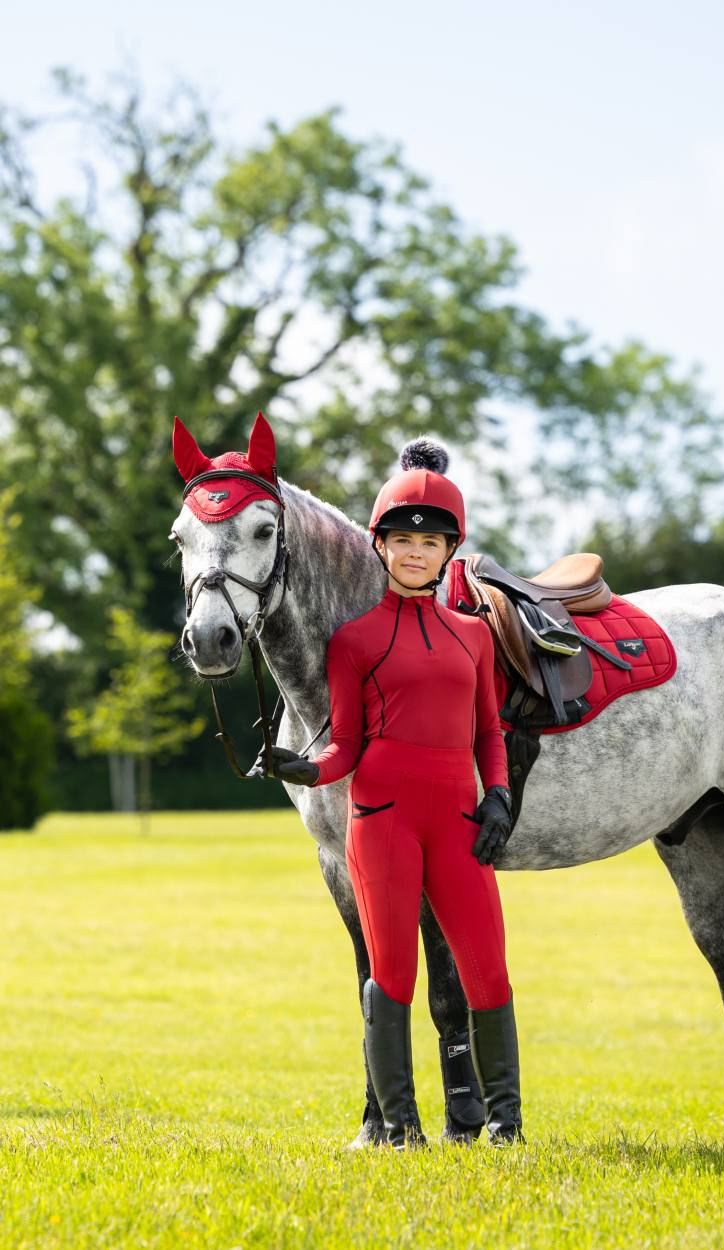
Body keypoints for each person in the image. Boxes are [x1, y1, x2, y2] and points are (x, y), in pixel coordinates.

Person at [258, 437, 522, 1149]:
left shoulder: (474, 637)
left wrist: (498, 796)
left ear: (449, 551)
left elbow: (489, 732)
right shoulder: (353, 641)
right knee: (392, 972)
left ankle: (506, 1125)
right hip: (380, 821)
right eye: (402, 540)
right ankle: (399, 1125)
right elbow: (344, 745)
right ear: (379, 546)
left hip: (457, 817)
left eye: (430, 542)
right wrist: (303, 770)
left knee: (488, 971)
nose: (415, 552)